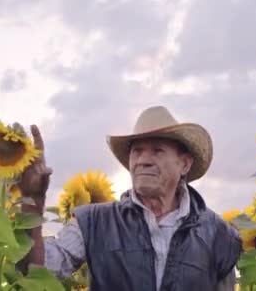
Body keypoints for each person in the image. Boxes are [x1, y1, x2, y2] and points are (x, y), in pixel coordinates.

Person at [16, 106, 242, 290]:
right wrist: (33, 201)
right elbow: (37, 271)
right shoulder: (94, 222)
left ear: (184, 163)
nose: (143, 159)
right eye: (137, 151)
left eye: (157, 150)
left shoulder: (218, 235)